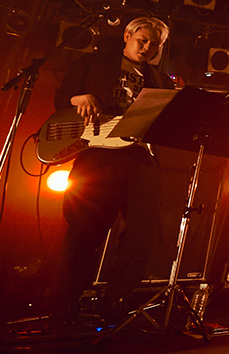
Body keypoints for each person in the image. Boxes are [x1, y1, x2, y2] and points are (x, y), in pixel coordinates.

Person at [53, 16, 174, 326]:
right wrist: (79, 98)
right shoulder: (93, 62)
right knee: (83, 230)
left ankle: (116, 298)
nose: (147, 48)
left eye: (155, 45)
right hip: (99, 153)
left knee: (141, 233)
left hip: (140, 156)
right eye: (142, 40)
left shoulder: (160, 80)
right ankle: (64, 302)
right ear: (127, 36)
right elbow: (61, 97)